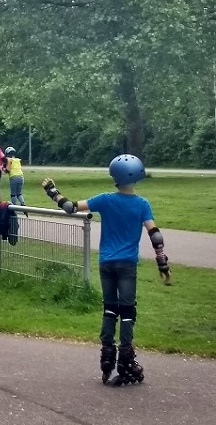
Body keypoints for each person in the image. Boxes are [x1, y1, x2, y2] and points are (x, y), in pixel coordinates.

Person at [41, 154, 171, 386]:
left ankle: (107, 359)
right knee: (128, 310)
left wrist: (53, 192)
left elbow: (70, 207)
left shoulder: (105, 199)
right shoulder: (142, 204)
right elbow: (155, 235)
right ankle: (126, 359)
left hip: (106, 263)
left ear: (115, 177)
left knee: (110, 309)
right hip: (127, 264)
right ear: (137, 175)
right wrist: (162, 263)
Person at [3, 146, 27, 216]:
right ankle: (23, 204)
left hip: (13, 177)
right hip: (21, 177)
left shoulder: (8, 160)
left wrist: (3, 169)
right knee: (19, 193)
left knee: (13, 194)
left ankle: (14, 208)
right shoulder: (17, 160)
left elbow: (8, 170)